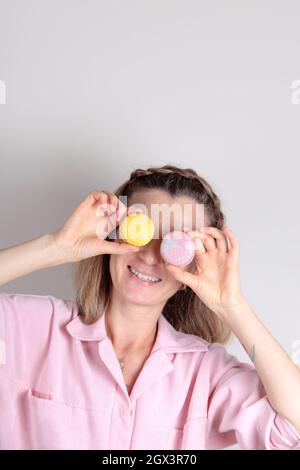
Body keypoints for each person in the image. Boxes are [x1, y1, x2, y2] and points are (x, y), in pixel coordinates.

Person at [0, 165, 299, 450]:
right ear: (112, 235)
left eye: (175, 244)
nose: (151, 256)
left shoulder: (204, 373)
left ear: (192, 271)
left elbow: (293, 428)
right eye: (140, 230)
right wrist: (56, 246)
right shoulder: (35, 330)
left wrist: (231, 304)